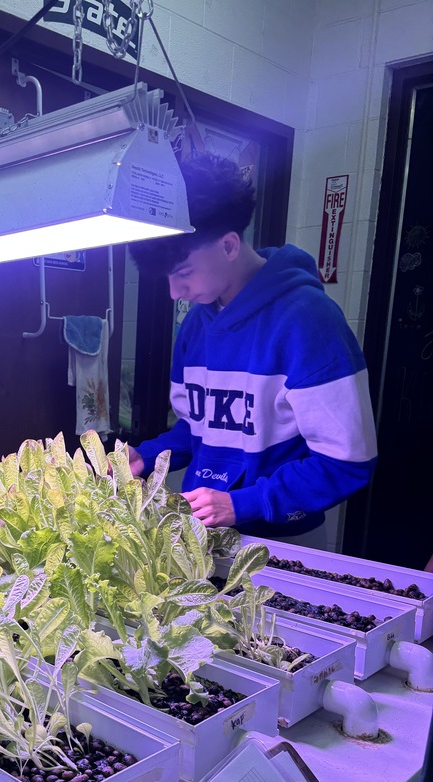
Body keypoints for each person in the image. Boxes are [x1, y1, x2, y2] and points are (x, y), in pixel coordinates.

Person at [127, 154, 378, 542]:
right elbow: (199, 429)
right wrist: (149, 456)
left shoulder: (310, 322)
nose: (175, 292)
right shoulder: (195, 324)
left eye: (183, 274)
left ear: (229, 246)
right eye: (167, 279)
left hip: (283, 537)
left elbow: (347, 462)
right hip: (201, 532)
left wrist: (247, 503)